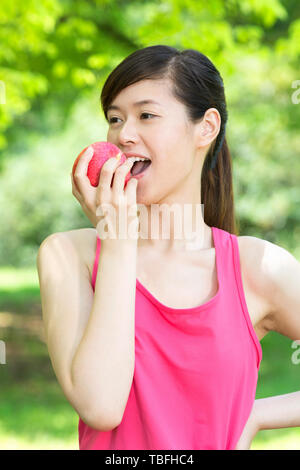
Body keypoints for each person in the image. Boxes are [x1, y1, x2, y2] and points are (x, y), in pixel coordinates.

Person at [37, 45, 300, 450]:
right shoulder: (67, 256)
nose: (123, 134)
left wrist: (258, 414)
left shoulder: (257, 266)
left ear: (206, 128)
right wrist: (118, 240)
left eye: (146, 115)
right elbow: (101, 406)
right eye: (114, 118)